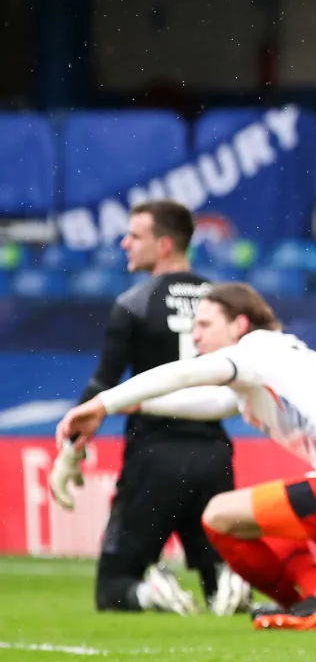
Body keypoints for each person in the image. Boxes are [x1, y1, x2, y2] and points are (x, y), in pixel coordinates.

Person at [56, 283, 316, 631]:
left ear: (239, 325)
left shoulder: (255, 352)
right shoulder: (276, 358)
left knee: (219, 517)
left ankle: (303, 603)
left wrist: (103, 402)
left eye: (205, 324)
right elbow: (215, 402)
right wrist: (134, 405)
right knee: (262, 513)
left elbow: (185, 375)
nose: (196, 336)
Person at [70, 200, 242, 617]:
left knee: (113, 588)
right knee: (218, 576)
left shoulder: (134, 303)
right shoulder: (221, 302)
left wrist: (71, 441)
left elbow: (103, 384)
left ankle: (153, 593)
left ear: (164, 245)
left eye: (136, 236)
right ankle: (230, 585)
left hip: (155, 454)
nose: (125, 243)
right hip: (213, 454)